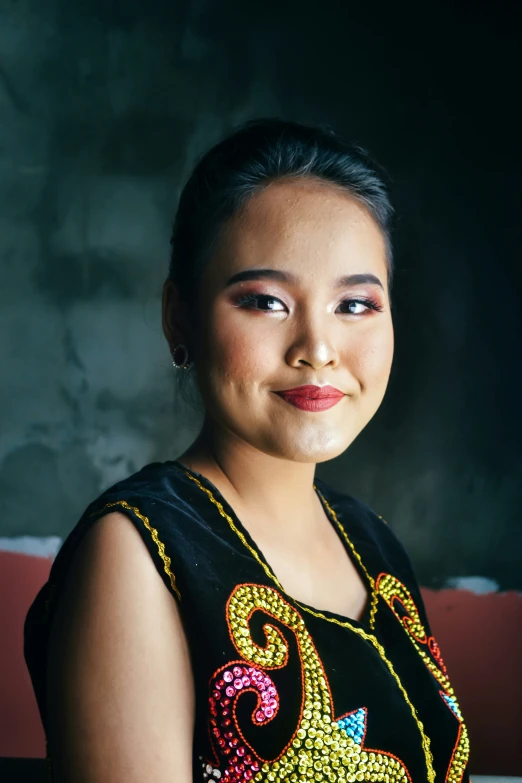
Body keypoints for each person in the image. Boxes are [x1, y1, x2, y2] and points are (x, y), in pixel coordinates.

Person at [24, 117, 471, 783]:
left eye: (355, 305)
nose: (317, 347)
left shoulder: (374, 546)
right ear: (181, 317)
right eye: (266, 301)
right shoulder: (140, 549)